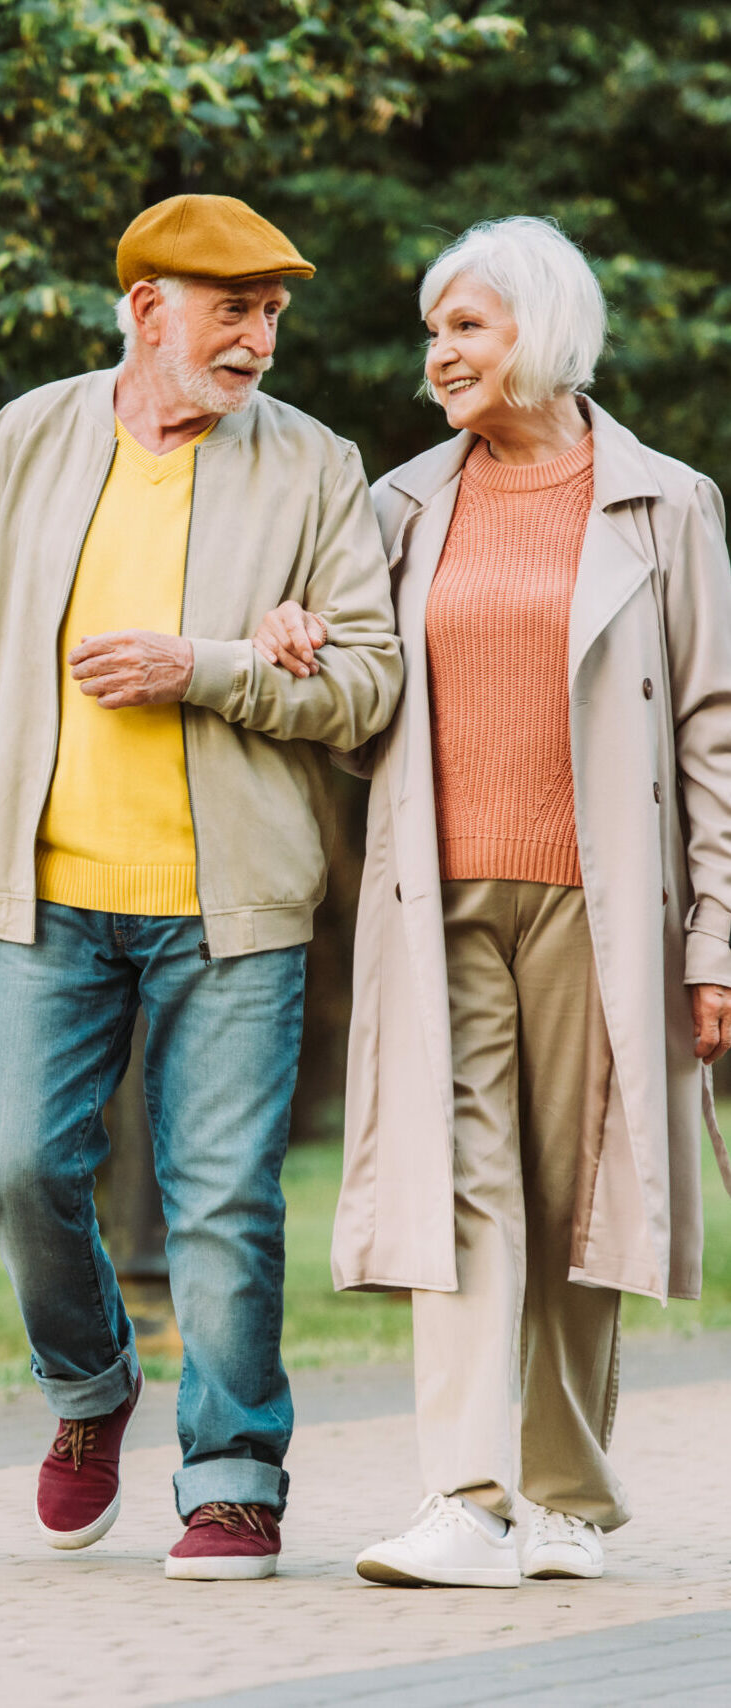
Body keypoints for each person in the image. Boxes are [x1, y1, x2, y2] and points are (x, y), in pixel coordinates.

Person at [0, 194, 402, 1581]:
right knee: (15, 1171)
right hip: (47, 901)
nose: (260, 337)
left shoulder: (312, 467)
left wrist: (214, 668)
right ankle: (91, 1386)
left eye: (274, 312)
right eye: (231, 307)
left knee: (225, 1198)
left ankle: (233, 1474)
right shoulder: (28, 442)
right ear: (145, 309)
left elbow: (367, 693)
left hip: (235, 908)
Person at [256, 216, 731, 1588]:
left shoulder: (667, 504)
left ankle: (569, 1498)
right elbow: (362, 719)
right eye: (433, 332)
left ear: (544, 330)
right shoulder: (401, 506)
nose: (437, 356)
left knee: (580, 1189)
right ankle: (465, 1500)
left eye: (466, 327)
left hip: (606, 902)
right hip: (439, 896)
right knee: (461, 1188)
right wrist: (300, 653)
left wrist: (716, 940)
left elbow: (712, 731)